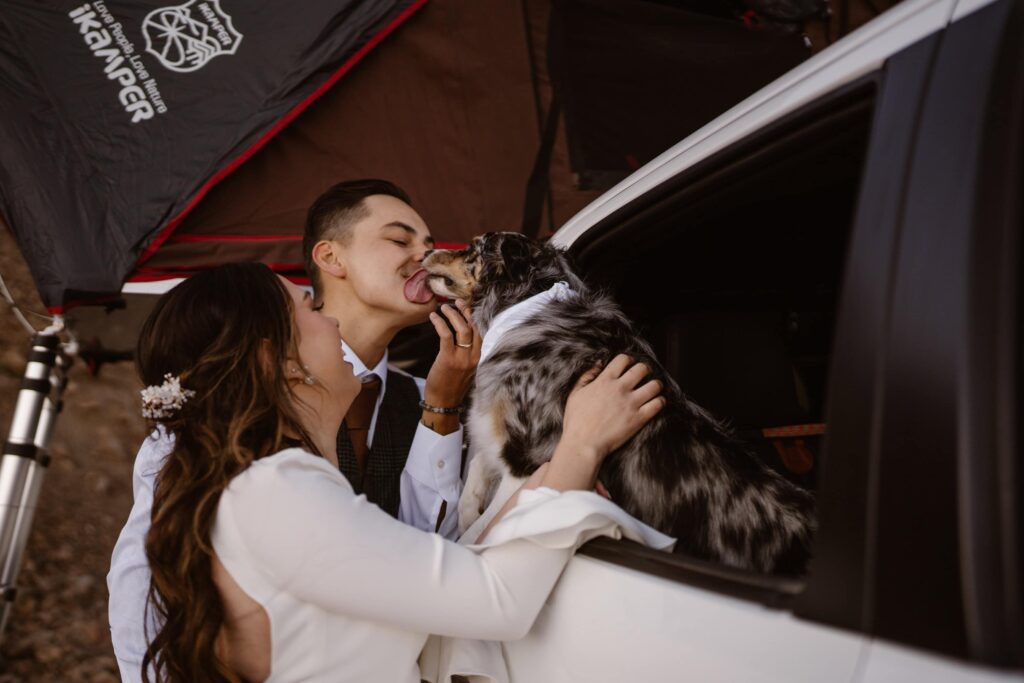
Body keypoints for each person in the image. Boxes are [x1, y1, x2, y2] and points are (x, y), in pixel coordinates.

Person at [135, 262, 668, 682]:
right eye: (310, 307)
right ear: (280, 361)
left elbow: (433, 581)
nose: (332, 320)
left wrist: (543, 482)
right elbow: (495, 600)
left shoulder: (255, 492)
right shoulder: (276, 490)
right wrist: (583, 442)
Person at [108, 180, 478, 681]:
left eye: (430, 247)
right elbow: (148, 586)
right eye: (400, 240)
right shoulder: (229, 404)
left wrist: (443, 406)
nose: (428, 257)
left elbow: (430, 560)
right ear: (331, 257)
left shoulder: (434, 398)